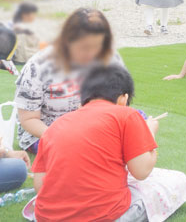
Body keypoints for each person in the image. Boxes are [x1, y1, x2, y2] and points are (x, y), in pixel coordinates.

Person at [32, 64, 186, 221]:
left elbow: (39, 185)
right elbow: (141, 171)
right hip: (103, 215)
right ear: (124, 98)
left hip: (47, 216)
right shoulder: (126, 114)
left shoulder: (56, 126)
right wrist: (150, 132)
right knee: (174, 180)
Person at [15, 8, 122, 154]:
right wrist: (64, 136)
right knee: (80, 148)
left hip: (89, 128)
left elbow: (115, 103)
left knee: (138, 118)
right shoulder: (38, 67)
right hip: (46, 134)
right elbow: (28, 119)